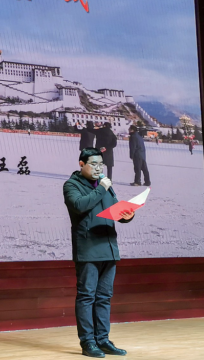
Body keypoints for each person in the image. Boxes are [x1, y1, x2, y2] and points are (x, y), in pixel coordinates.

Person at [63, 148, 135, 358]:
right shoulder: (72, 185)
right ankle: (88, 342)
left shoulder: (105, 185)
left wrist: (127, 215)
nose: (98, 168)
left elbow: (114, 210)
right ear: (81, 164)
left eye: (100, 164)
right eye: (93, 164)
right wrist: (102, 188)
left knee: (104, 297)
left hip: (109, 247)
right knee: (87, 296)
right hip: (88, 249)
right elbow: (79, 205)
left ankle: (103, 340)